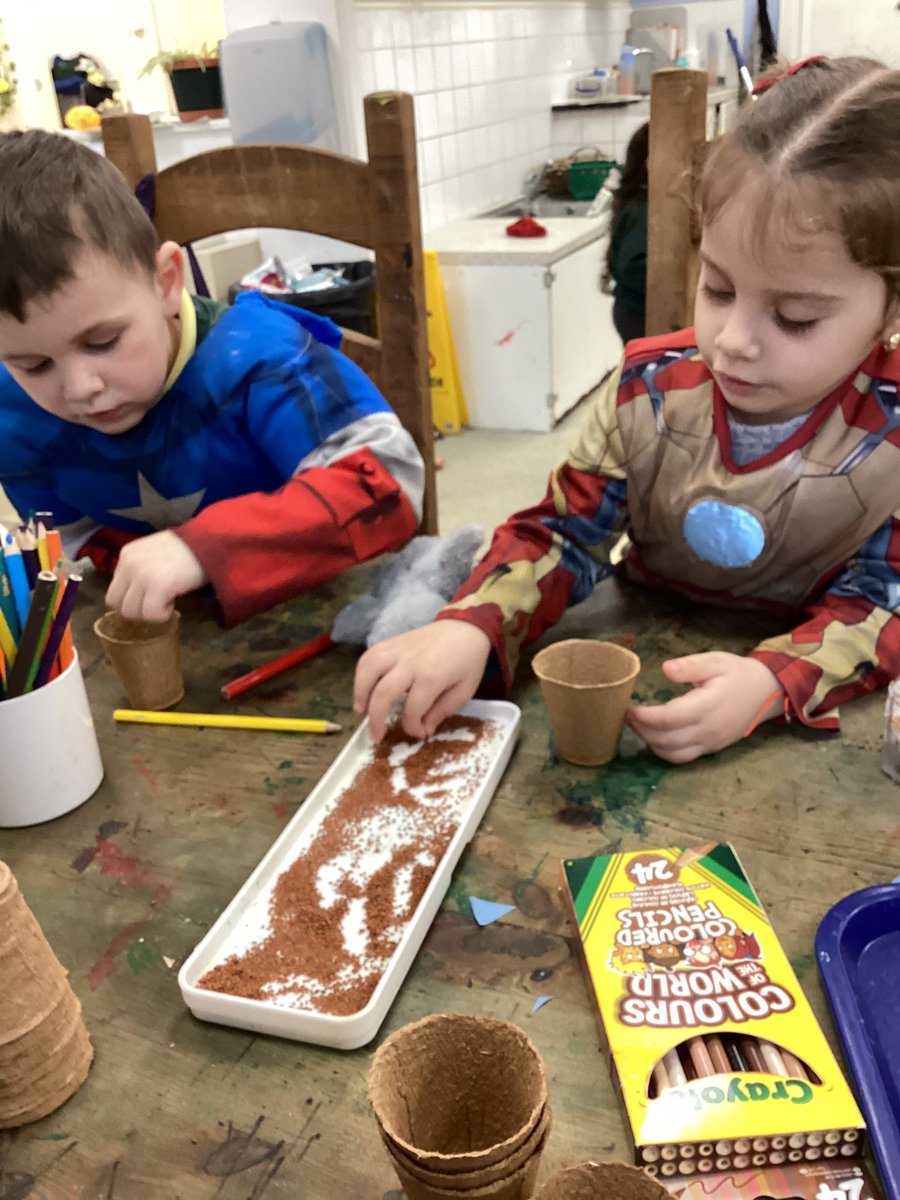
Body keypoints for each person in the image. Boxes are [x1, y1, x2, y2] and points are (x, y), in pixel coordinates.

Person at [354, 56, 900, 764]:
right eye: (718, 288)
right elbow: (561, 534)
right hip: (638, 657)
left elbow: (885, 603)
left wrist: (772, 680)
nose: (732, 343)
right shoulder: (651, 390)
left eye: (795, 318)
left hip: (799, 736)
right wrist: (473, 624)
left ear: (891, 307)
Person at [0, 131, 424, 626]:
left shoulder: (260, 359)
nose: (81, 388)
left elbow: (392, 484)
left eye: (103, 341)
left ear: (165, 282)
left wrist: (203, 550)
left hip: (323, 615)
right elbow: (74, 543)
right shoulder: (16, 413)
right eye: (33, 365)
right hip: (183, 630)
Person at [606, 122, 649, 344]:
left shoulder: (643, 201)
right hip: (637, 315)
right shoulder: (641, 208)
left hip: (636, 312)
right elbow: (631, 266)